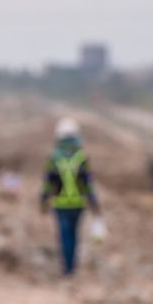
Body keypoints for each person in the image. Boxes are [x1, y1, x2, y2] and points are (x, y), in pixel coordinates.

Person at [39, 118, 102, 275]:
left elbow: (48, 183)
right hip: (78, 205)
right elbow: (88, 183)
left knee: (65, 235)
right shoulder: (81, 157)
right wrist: (94, 204)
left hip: (61, 205)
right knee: (74, 235)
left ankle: (67, 268)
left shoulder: (54, 158)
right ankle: (72, 267)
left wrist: (43, 201)